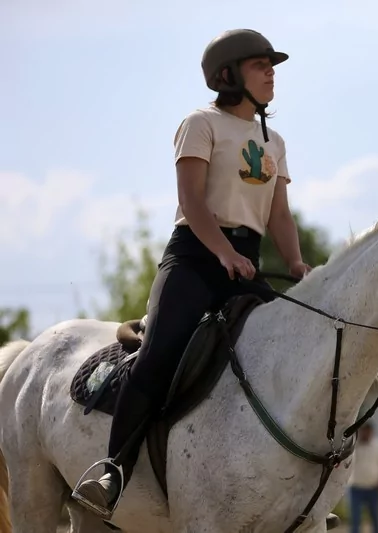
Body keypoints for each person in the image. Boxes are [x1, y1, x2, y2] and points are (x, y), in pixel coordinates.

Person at [71, 28, 315, 520]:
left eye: (272, 66)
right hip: (194, 258)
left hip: (246, 262)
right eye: (260, 65)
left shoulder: (275, 141)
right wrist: (223, 252)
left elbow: (279, 215)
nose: (271, 73)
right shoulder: (200, 123)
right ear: (228, 76)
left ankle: (295, 491)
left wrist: (295, 263)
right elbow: (192, 201)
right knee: (157, 355)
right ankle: (112, 470)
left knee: (293, 353)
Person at [348, 422, 378, 533]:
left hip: (374, 487)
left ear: (372, 431)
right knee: (355, 518)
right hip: (356, 487)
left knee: (375, 517)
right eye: (363, 430)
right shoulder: (353, 445)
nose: (365, 433)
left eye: (367, 431)